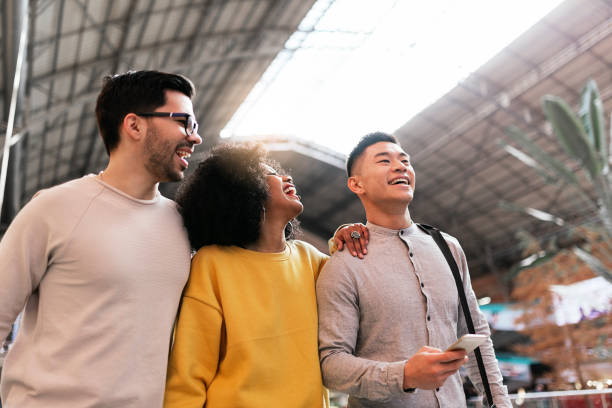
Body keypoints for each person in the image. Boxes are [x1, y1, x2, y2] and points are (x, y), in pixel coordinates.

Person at [0, 70, 203, 407]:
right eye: (184, 122)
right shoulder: (54, 208)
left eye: (195, 127)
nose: (195, 138)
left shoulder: (183, 227)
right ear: (134, 125)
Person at [316, 132, 511, 407]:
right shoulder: (344, 263)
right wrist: (403, 375)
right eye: (384, 161)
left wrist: (500, 403)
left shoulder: (449, 247)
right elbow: (331, 364)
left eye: (405, 160)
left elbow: (476, 331)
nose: (400, 166)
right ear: (356, 183)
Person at [163, 143, 329, 407]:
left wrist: (349, 232)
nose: (286, 177)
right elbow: (188, 373)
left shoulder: (312, 260)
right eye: (268, 175)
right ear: (245, 190)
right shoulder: (212, 264)